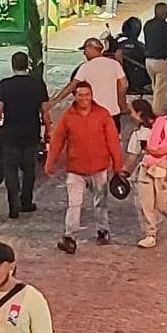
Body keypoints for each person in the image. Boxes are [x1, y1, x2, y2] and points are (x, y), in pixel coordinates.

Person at [45, 79, 123, 254]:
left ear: (92, 95)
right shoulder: (68, 116)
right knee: (74, 204)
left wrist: (118, 167)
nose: (84, 98)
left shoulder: (103, 115)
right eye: (80, 95)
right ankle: (69, 236)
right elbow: (57, 140)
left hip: (99, 167)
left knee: (100, 202)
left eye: (87, 95)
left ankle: (103, 231)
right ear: (75, 96)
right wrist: (50, 162)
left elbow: (113, 142)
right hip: (75, 168)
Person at [0, 51, 50, 219]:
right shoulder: (38, 84)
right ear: (28, 65)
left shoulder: (5, 85)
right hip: (31, 132)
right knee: (29, 169)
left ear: (12, 65)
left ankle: (13, 204)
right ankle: (26, 201)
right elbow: (44, 111)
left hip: (10, 133)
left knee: (10, 169)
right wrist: (48, 131)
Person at [123, 99, 167, 249]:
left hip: (162, 170)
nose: (130, 115)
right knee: (146, 205)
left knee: (164, 205)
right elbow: (132, 156)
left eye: (132, 112)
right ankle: (150, 234)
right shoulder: (137, 134)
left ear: (139, 113)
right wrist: (124, 173)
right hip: (145, 171)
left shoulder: (165, 126)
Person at [56, 37, 129, 132]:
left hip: (93, 113)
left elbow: (72, 86)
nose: (84, 53)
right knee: (111, 142)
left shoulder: (85, 67)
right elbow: (124, 85)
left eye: (85, 50)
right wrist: (122, 104)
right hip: (113, 113)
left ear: (90, 48)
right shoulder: (115, 64)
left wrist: (55, 100)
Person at [142, 2, 167, 116]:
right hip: (161, 61)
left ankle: (155, 108)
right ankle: (157, 113)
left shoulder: (148, 24)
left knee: (155, 87)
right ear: (165, 13)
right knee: (161, 91)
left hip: (148, 61)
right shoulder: (165, 27)